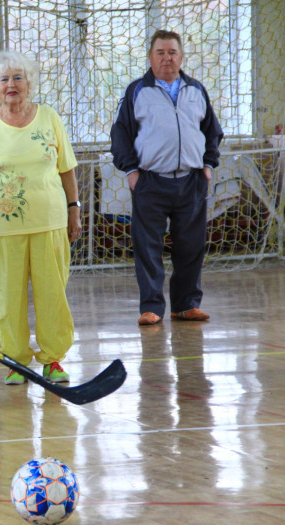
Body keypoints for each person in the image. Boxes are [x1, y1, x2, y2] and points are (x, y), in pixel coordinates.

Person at [0, 50, 81, 386]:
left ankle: (53, 360)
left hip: (50, 222)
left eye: (18, 77)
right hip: (1, 229)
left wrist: (74, 209)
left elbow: (67, 169)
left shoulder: (49, 118)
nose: (11, 84)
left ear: (29, 83)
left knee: (52, 294)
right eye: (4, 79)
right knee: (8, 294)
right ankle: (16, 361)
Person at [111, 29, 223, 326]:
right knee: (148, 248)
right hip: (150, 182)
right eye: (160, 52)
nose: (166, 58)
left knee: (192, 245)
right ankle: (151, 308)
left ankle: (186, 305)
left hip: (191, 182)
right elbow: (120, 134)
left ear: (181, 57)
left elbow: (212, 131)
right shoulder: (137, 91)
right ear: (150, 58)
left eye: (172, 52)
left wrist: (208, 165)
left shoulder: (196, 90)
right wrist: (132, 172)